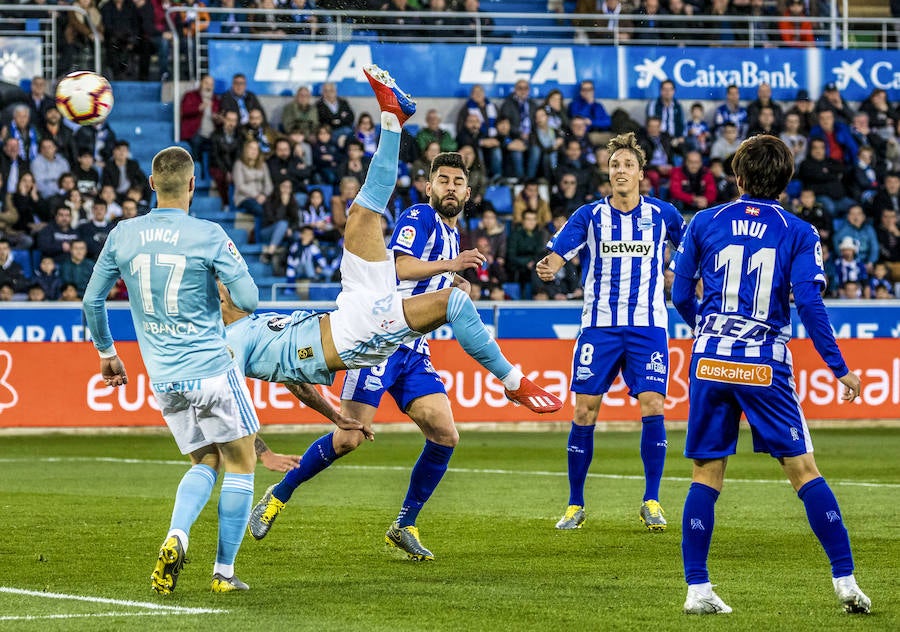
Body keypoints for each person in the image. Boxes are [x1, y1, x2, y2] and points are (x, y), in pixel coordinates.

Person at [239, 66, 562, 559]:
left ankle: (404, 524)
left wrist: (448, 276)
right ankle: (277, 496)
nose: (450, 188)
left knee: (445, 433)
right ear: (430, 186)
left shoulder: (452, 232)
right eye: (443, 180)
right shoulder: (419, 216)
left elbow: (426, 276)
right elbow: (398, 266)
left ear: (469, 193)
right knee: (348, 437)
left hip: (412, 349)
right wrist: (450, 268)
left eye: (458, 182)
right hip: (374, 339)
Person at [670, 134, 870, 615]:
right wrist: (839, 368)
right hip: (763, 363)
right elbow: (810, 304)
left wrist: (708, 328)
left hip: (710, 358)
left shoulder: (704, 221)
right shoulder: (799, 231)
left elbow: (679, 294)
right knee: (804, 471)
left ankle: (697, 589)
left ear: (738, 177)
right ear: (785, 181)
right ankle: (845, 582)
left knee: (705, 473)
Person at [82, 146, 263, 595]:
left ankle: (177, 535)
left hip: (163, 377)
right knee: (242, 462)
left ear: (149, 184)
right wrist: (223, 274)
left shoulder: (123, 234)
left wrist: (107, 352)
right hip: (210, 369)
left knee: (205, 459)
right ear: (192, 185)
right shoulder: (208, 234)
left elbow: (92, 300)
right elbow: (250, 299)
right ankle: (223, 572)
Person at [537, 132, 684, 533]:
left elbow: (689, 254)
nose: (620, 171)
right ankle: (574, 504)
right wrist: (548, 265)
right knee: (585, 409)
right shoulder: (589, 216)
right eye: (614, 165)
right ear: (608, 172)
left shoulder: (664, 215)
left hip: (647, 326)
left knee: (653, 404)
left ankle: (651, 500)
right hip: (598, 327)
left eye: (627, 165)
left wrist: (695, 281)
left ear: (641, 173)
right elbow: (558, 251)